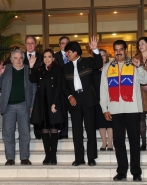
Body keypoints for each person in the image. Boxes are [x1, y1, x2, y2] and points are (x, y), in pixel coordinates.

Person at [100, 40, 147, 181]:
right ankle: (122, 171)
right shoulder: (108, 67)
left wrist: (139, 67)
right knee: (118, 142)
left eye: (121, 49)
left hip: (133, 109)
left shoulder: (134, 65)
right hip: (115, 110)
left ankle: (136, 172)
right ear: (113, 51)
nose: (118, 52)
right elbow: (103, 90)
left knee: (134, 141)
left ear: (126, 50)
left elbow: (145, 80)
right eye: (116, 50)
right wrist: (104, 108)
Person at [62, 37, 103, 166]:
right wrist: (69, 96)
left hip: (88, 99)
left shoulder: (88, 61)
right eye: (66, 52)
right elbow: (63, 85)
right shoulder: (65, 68)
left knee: (90, 129)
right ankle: (79, 158)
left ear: (75, 52)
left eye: (69, 52)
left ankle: (91, 158)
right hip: (74, 101)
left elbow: (99, 64)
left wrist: (95, 49)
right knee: (77, 131)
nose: (67, 54)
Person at [0, 49, 35, 165]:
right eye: (16, 58)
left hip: (24, 105)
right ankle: (10, 158)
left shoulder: (28, 69)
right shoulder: (6, 69)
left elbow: (34, 89)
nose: (18, 60)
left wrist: (32, 105)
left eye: (20, 58)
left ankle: (24, 157)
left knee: (25, 133)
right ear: (11, 60)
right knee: (8, 133)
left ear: (23, 59)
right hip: (9, 107)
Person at [29, 48, 64, 165]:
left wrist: (54, 103)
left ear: (53, 58)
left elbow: (59, 87)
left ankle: (53, 156)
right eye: (45, 57)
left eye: (49, 56)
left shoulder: (57, 69)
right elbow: (32, 79)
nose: (47, 59)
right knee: (44, 130)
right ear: (42, 59)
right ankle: (47, 156)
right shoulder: (39, 69)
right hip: (41, 104)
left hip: (53, 103)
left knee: (53, 130)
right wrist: (31, 66)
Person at [93, 49, 113, 151]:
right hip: (97, 100)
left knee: (109, 122)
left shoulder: (111, 68)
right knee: (100, 122)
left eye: (103, 55)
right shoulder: (93, 70)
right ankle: (103, 143)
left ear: (107, 57)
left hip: (110, 99)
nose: (101, 58)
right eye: (99, 56)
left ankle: (110, 144)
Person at [55, 36, 70, 140]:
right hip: (60, 88)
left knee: (76, 111)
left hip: (73, 88)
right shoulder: (55, 56)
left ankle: (78, 132)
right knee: (63, 111)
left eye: (66, 43)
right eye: (62, 43)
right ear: (59, 45)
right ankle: (64, 132)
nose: (64, 45)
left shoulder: (74, 55)